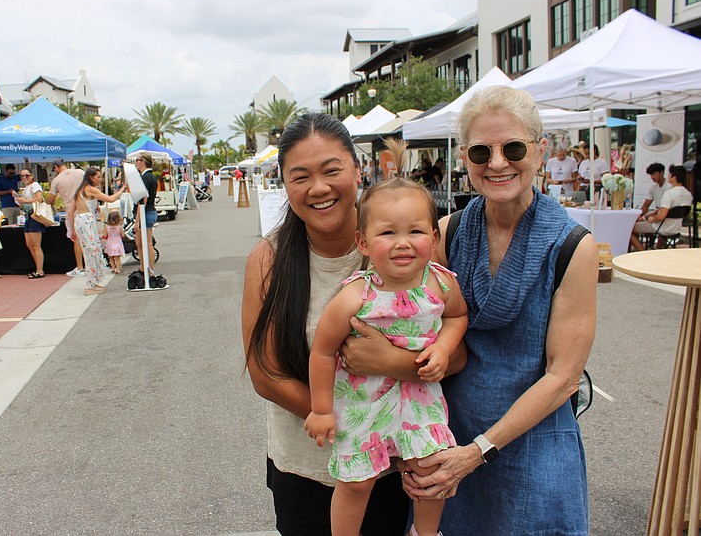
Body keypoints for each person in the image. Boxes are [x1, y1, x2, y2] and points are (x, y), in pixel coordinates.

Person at [345, 86, 597, 534]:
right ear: (465, 158)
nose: (498, 163)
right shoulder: (448, 231)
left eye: (513, 147)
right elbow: (401, 315)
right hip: (450, 435)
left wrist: (478, 451)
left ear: (540, 152)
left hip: (532, 442)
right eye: (482, 151)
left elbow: (563, 378)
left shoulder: (572, 247)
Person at [242, 113, 467, 535]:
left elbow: (455, 353)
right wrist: (348, 424)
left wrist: (391, 363)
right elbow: (265, 374)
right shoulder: (268, 259)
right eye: (301, 176)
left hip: (393, 464)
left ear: (357, 170)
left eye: (332, 170)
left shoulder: (406, 255)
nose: (319, 187)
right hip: (306, 468)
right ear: (284, 184)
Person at [304, 177, 467, 536]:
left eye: (416, 231)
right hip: (365, 400)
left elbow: (457, 317)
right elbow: (323, 350)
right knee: (358, 482)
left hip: (421, 398)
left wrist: (443, 346)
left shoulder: (440, 284)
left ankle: (425, 534)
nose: (403, 243)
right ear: (363, 242)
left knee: (430, 467)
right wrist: (321, 409)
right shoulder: (355, 296)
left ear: (435, 238)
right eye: (388, 233)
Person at [71, 167, 127, 295]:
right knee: (93, 253)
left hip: (80, 220)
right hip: (87, 221)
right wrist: (122, 190)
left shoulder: (80, 190)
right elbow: (111, 199)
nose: (100, 180)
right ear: (91, 177)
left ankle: (93, 282)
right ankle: (90, 285)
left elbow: (72, 209)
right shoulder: (90, 189)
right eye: (98, 177)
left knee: (91, 252)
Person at [629, 164, 692, 251]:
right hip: (676, 227)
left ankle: (642, 252)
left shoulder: (669, 193)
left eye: (669, 174)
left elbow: (661, 216)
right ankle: (656, 249)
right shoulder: (688, 194)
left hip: (662, 226)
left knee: (629, 229)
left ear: (674, 177)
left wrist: (651, 218)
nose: (668, 176)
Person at [131, 153, 167, 290]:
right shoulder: (149, 176)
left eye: (138, 160)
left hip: (146, 212)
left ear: (143, 162)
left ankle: (149, 270)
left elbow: (143, 199)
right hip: (148, 212)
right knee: (140, 243)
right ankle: (144, 268)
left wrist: (137, 221)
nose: (136, 162)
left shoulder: (145, 177)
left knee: (146, 243)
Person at [46, 158, 86, 276]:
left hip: (72, 211)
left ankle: (80, 267)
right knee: (89, 237)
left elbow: (51, 200)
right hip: (87, 208)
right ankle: (92, 265)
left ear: (55, 168)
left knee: (76, 238)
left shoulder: (57, 180)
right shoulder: (80, 172)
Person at [13, 169, 46, 279]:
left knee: (36, 245)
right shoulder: (26, 188)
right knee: (30, 245)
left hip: (35, 216)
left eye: (27, 175)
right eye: (22, 176)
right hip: (28, 216)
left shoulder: (35, 185)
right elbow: (23, 205)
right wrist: (18, 199)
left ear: (32, 176)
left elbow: (40, 198)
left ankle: (40, 270)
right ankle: (37, 268)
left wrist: (25, 201)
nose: (24, 178)